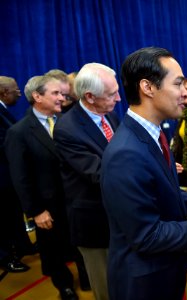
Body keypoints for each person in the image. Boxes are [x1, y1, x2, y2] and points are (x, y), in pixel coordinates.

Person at [100, 47, 187, 300]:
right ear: (148, 87)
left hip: (166, 272)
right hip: (145, 285)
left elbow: (167, 195)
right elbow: (146, 236)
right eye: (178, 83)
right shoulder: (126, 153)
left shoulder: (152, 135)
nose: (185, 91)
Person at [4, 75, 81, 300]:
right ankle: (64, 286)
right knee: (53, 252)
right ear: (37, 96)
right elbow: (20, 178)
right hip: (48, 208)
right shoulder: (18, 133)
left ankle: (87, 278)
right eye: (55, 93)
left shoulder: (68, 121)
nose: (62, 97)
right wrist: (35, 210)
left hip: (76, 201)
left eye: (62, 93)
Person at [54, 63, 121, 300]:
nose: (119, 98)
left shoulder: (109, 115)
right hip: (94, 223)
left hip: (118, 217)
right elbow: (99, 172)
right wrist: (148, 171)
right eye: (112, 94)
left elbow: (123, 154)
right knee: (107, 290)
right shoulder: (67, 129)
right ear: (90, 96)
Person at [0, 76, 34, 273]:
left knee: (14, 214)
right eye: (16, 90)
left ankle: (24, 245)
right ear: (4, 93)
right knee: (3, 219)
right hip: (2, 177)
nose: (19, 93)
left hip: (9, 177)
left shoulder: (4, 111)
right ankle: (5, 256)